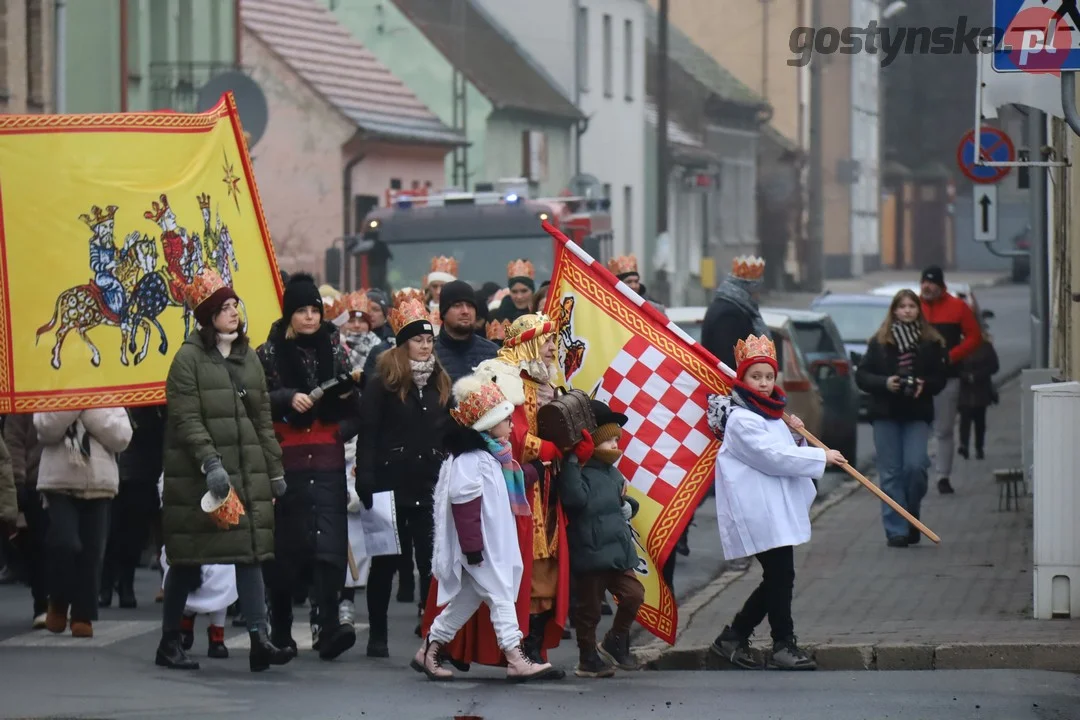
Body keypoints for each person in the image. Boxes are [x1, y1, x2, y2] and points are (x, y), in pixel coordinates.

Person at [157, 267, 294, 672]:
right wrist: (210, 462)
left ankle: (259, 640)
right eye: (224, 307)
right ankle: (169, 643)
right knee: (187, 558)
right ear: (206, 315)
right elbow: (186, 419)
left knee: (250, 553)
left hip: (246, 472)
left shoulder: (248, 356)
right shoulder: (187, 359)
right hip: (199, 475)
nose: (233, 312)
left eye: (235, 305)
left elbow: (262, 419)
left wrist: (274, 469)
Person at [433, 313, 569, 676]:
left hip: (537, 490)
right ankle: (508, 654)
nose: (554, 348)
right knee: (500, 579)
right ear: (528, 343)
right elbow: (512, 440)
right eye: (547, 341)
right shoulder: (502, 378)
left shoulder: (546, 380)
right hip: (508, 504)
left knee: (531, 575)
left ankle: (515, 650)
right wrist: (547, 450)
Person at [709, 334, 846, 671]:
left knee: (778, 577)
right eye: (756, 377)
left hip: (773, 508)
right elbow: (772, 456)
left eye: (769, 377)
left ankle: (734, 637)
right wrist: (821, 456)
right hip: (758, 510)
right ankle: (782, 643)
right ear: (743, 378)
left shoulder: (771, 414)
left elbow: (785, 448)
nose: (764, 383)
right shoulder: (742, 419)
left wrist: (798, 435)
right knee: (781, 575)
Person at [415, 373, 557, 682]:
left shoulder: (492, 457)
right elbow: (464, 504)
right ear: (489, 424)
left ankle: (429, 648)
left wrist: (534, 471)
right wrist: (472, 547)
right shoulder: (470, 460)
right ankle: (516, 657)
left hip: (489, 545)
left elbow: (506, 487)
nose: (511, 425)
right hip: (482, 547)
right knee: (501, 595)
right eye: (506, 420)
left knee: (468, 600)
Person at [258, 271, 361, 661]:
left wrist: (340, 432)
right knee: (286, 550)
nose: (310, 318)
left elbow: (356, 405)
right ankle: (281, 630)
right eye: (301, 311)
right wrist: (287, 398)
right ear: (289, 315)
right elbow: (256, 400)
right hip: (289, 458)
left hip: (328, 457)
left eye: (314, 310)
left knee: (330, 549)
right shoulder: (268, 353)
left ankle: (329, 627)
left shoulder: (335, 349)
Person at [356, 290, 452, 657]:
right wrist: (365, 477)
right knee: (385, 564)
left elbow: (451, 430)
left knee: (431, 563)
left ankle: (431, 629)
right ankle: (377, 635)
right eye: (418, 339)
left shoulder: (441, 383)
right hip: (388, 484)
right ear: (403, 344)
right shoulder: (383, 384)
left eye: (429, 339)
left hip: (429, 483)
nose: (425, 346)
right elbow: (369, 432)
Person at [854, 289, 948, 547]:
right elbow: (862, 376)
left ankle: (911, 514)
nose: (907, 310)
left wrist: (924, 385)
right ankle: (896, 530)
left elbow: (941, 378)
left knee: (915, 467)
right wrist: (886, 382)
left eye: (912, 306)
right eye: (902, 306)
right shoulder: (879, 342)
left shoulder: (931, 343)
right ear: (894, 310)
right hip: (885, 414)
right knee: (891, 473)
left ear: (919, 310)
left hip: (916, 413)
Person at [559, 401, 645, 678]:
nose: (614, 445)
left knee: (634, 595)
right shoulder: (579, 470)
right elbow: (575, 498)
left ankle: (615, 640)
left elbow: (617, 499)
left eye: (616, 439)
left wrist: (630, 505)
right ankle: (587, 657)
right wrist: (573, 461)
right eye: (608, 439)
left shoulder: (612, 472)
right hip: (591, 550)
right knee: (589, 611)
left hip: (618, 550)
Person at [35, 405, 131, 639]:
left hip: (99, 483)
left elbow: (122, 437)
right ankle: (57, 601)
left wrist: (89, 411)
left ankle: (82, 614)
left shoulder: (107, 393)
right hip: (59, 482)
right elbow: (44, 429)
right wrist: (72, 406)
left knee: (92, 551)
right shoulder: (50, 386)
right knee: (65, 543)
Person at [918, 266, 982, 494]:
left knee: (944, 429)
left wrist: (952, 356)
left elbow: (975, 337)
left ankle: (943, 475)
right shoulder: (913, 307)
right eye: (924, 282)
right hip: (918, 378)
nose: (927, 286)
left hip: (947, 377)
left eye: (931, 283)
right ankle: (919, 473)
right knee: (918, 428)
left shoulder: (957, 307)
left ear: (941, 285)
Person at [100, 404, 166, 609]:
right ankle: (105, 585)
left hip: (142, 472)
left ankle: (125, 584)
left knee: (134, 534)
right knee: (111, 533)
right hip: (115, 471)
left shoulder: (153, 406)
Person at [4, 415, 46, 628]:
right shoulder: (22, 394)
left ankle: (62, 601)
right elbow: (14, 440)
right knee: (37, 546)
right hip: (34, 479)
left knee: (65, 544)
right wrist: (18, 479)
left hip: (69, 477)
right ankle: (42, 604)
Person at [701, 256, 771, 372]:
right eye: (756, 290)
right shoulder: (729, 315)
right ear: (748, 289)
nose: (758, 295)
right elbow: (727, 362)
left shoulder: (733, 307)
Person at [434, 280, 499, 382]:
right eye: (457, 305)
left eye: (470, 305)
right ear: (444, 312)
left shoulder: (493, 353)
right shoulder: (429, 353)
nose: (465, 311)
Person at [958, 331, 1000, 461]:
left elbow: (994, 366)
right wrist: (965, 376)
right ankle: (964, 445)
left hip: (981, 389)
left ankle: (979, 448)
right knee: (965, 418)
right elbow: (953, 365)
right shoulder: (959, 345)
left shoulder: (985, 346)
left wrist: (977, 375)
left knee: (979, 420)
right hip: (964, 390)